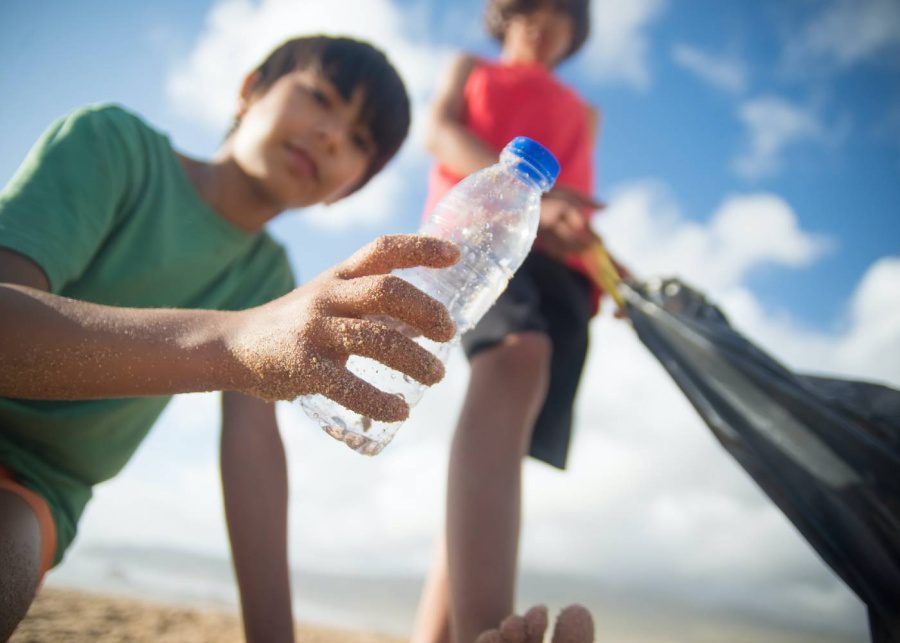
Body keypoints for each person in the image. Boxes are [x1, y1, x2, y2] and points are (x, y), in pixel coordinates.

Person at [0, 35, 462, 643]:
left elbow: (252, 451)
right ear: (249, 90)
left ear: (346, 188)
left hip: (37, 489)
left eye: (358, 141)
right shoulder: (114, 146)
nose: (330, 135)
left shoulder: (269, 281)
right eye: (320, 98)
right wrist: (237, 343)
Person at [412, 1, 609, 641]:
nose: (542, 20)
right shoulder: (471, 68)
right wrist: (536, 199)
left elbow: (578, 206)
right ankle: (486, 632)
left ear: (575, 32)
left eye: (561, 12)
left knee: (502, 451)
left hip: (564, 268)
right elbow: (441, 132)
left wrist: (610, 268)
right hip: (486, 237)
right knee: (518, 357)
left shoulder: (585, 111)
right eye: (530, 5)